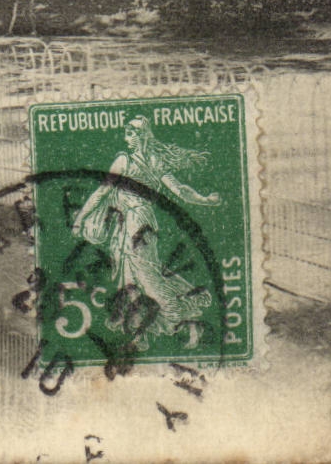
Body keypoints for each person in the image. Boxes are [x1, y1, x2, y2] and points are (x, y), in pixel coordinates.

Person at [70, 118, 223, 351]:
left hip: (136, 224)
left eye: (131, 133)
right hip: (135, 224)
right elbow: (180, 191)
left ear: (142, 135)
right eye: (126, 134)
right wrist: (205, 199)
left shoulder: (129, 161)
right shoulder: (150, 161)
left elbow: (103, 192)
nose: (126, 138)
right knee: (131, 278)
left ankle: (176, 312)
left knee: (146, 278)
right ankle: (139, 332)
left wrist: (80, 220)